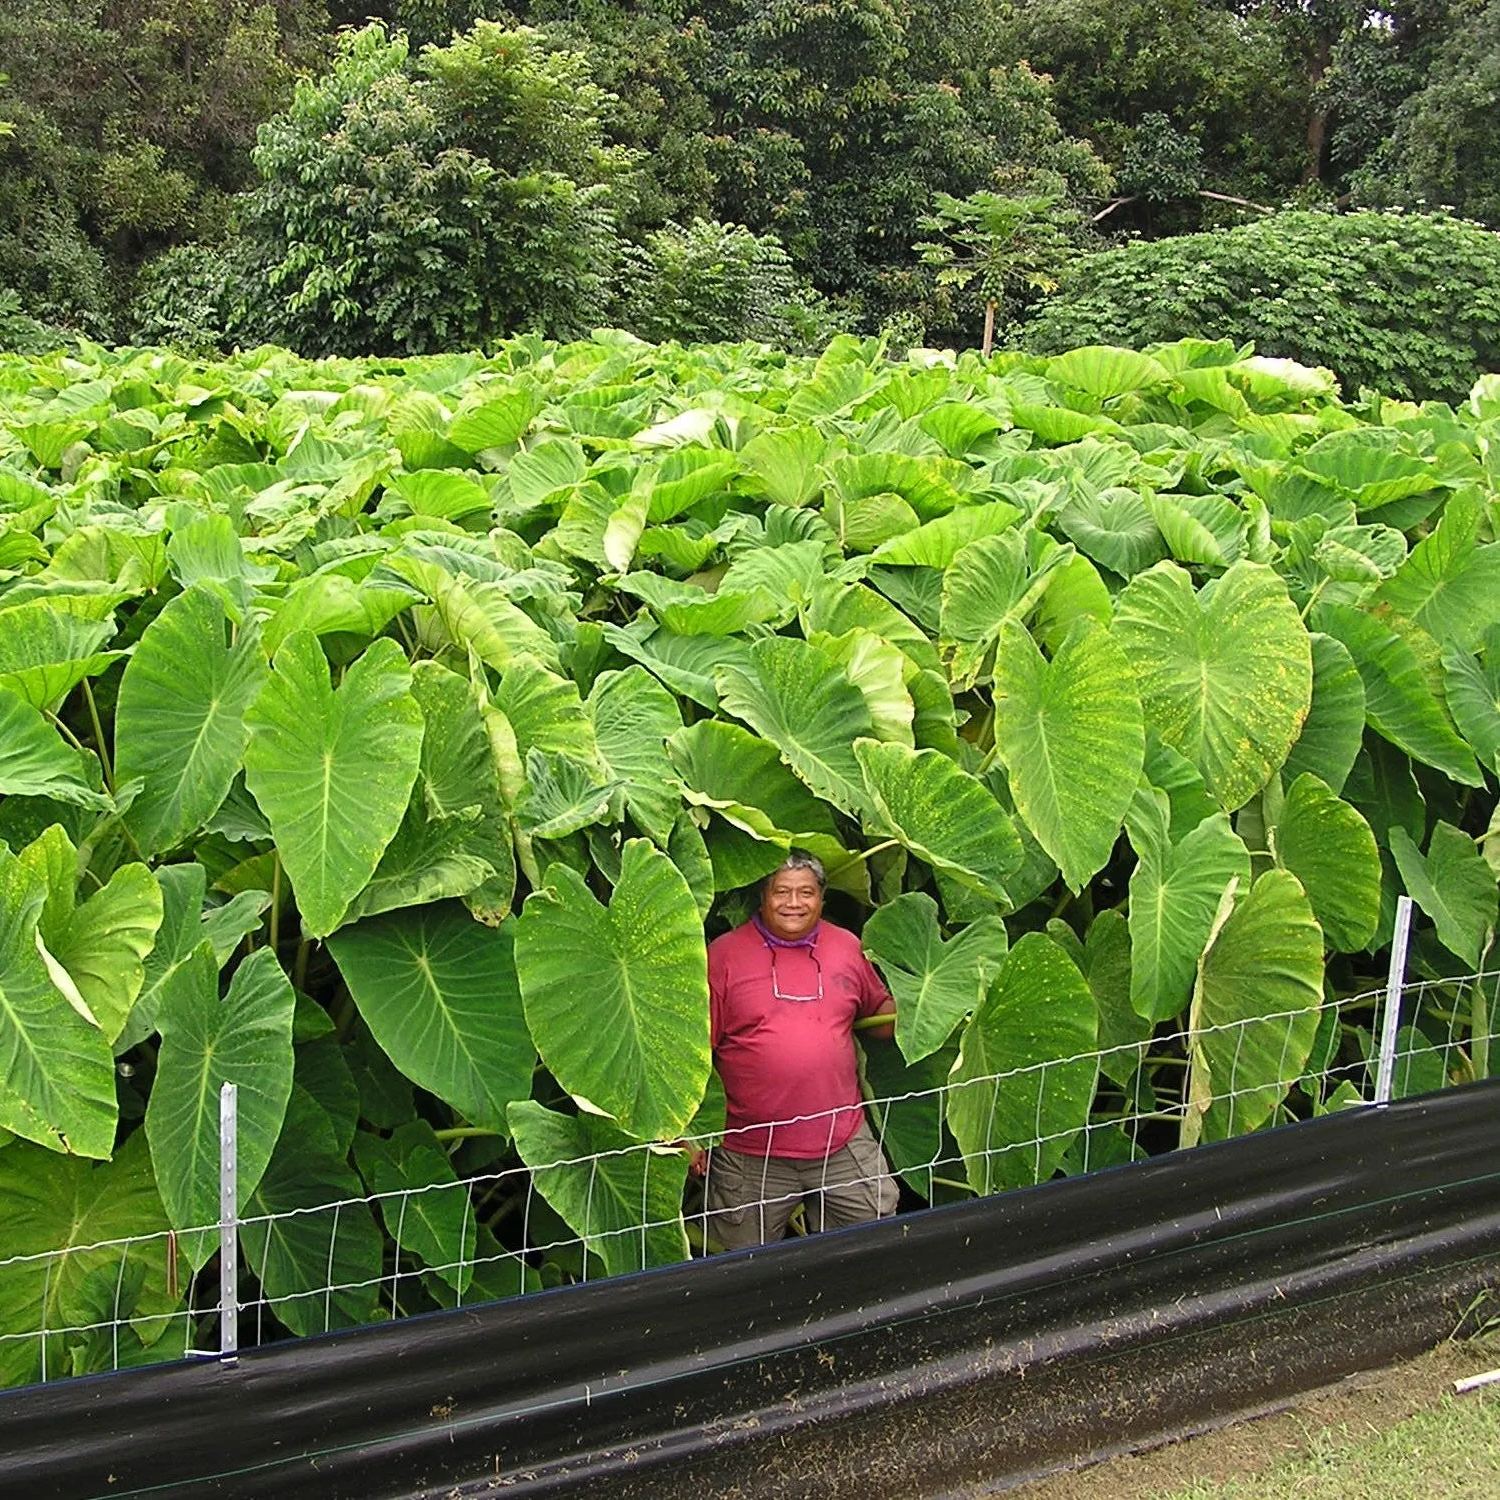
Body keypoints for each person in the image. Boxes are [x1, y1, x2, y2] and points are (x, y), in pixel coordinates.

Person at [698, 851, 900, 1250]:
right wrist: (689, 1136)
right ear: (763, 896)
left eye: (805, 892)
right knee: (743, 1269)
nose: (794, 903)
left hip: (840, 1140)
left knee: (873, 1243)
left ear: (822, 898)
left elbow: (881, 1015)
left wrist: (935, 998)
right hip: (752, 1152)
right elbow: (693, 1053)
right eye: (782, 892)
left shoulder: (847, 947)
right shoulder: (723, 955)